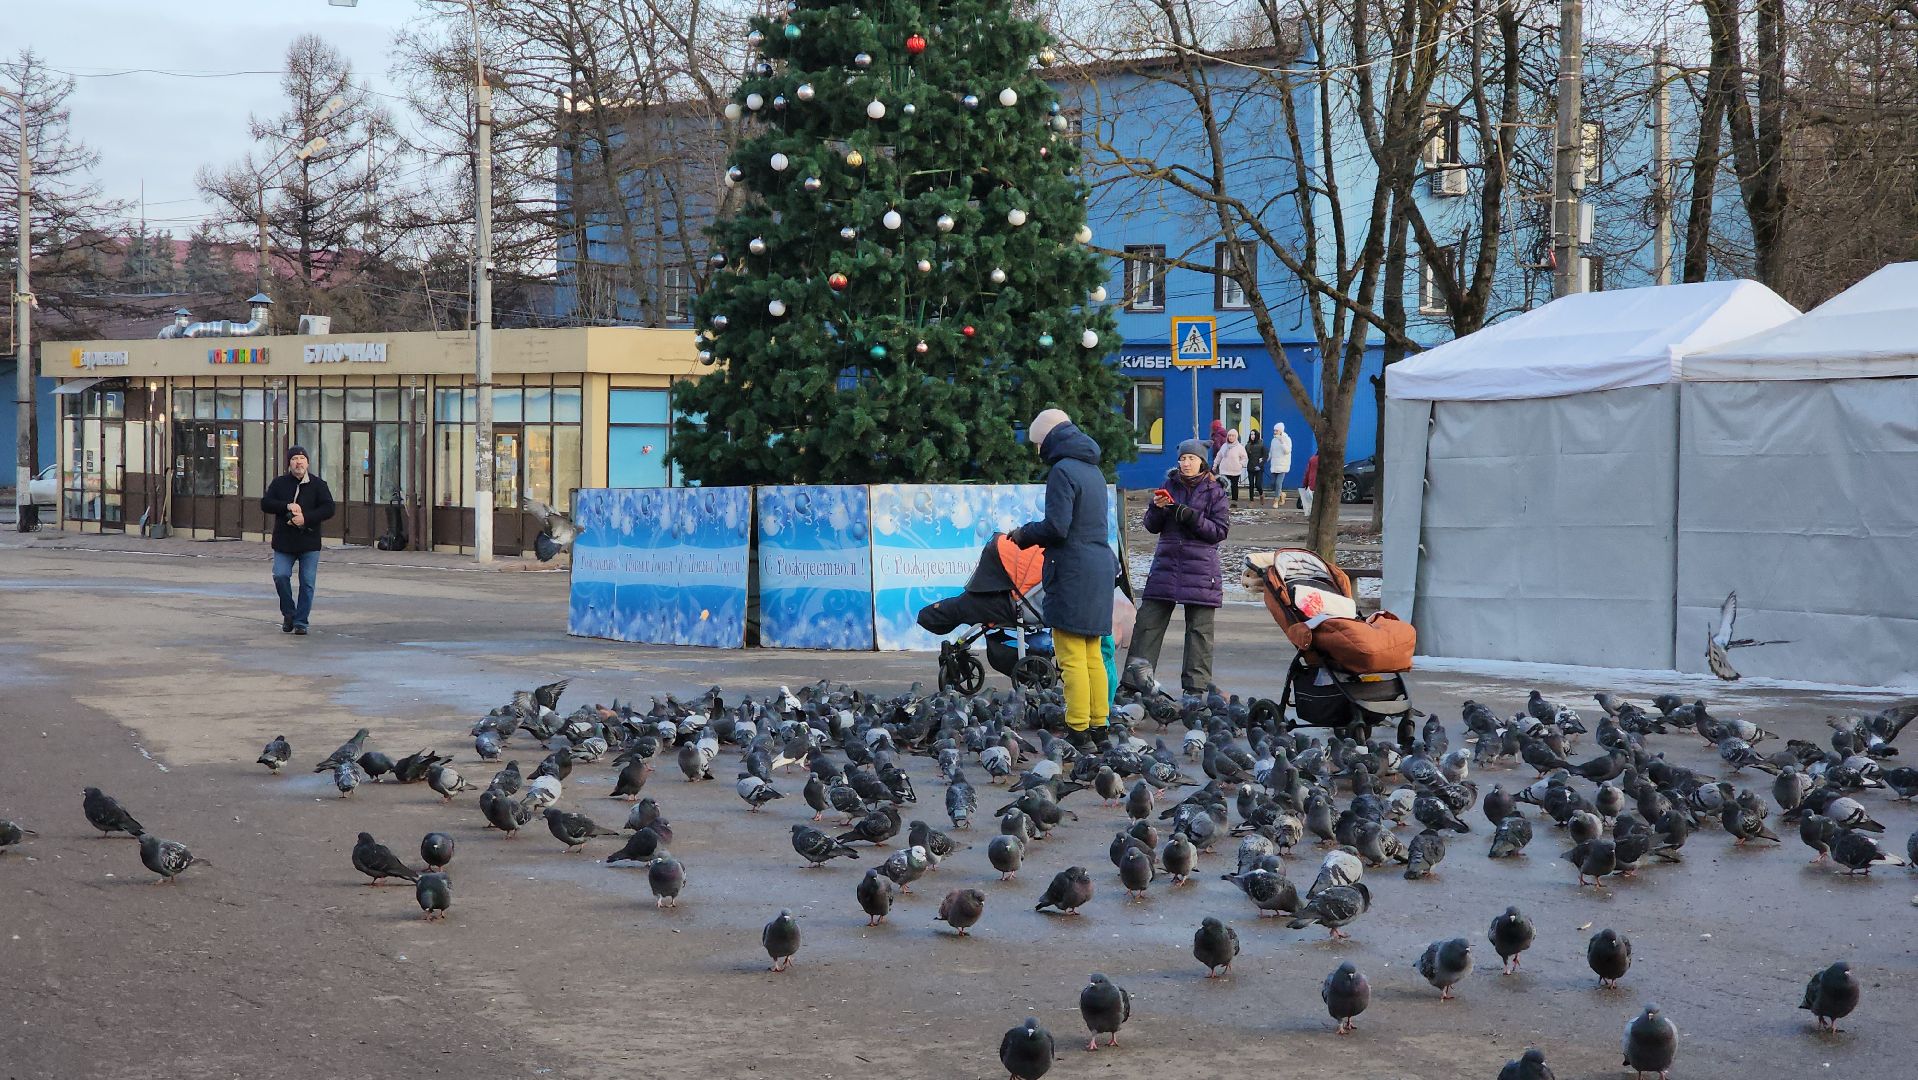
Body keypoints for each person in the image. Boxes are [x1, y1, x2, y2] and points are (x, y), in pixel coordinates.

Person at [1008, 408, 1115, 749]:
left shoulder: (1062, 471)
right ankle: (1100, 726)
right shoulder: (1092, 470)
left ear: (1047, 439)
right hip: (1099, 568)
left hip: (1073, 571)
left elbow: (1057, 527)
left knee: (1071, 658)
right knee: (1092, 654)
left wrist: (1024, 534)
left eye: (1037, 443)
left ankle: (1078, 730)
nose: (1037, 451)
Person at [1127, 439, 1230, 693]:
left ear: (1202, 462)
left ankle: (1195, 689)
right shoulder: (1168, 485)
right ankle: (1133, 684)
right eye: (1183, 459)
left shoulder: (1214, 491)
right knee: (1147, 624)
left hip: (1201, 571)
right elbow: (1151, 525)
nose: (1186, 463)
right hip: (1167, 567)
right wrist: (1158, 508)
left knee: (1199, 633)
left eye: (1191, 459)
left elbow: (1219, 530)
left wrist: (1191, 517)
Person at [260, 445, 335, 635]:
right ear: (289, 464)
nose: (298, 462)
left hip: (309, 542)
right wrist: (286, 506)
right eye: (294, 459)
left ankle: (301, 622)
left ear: (308, 462)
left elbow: (329, 508)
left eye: (302, 458)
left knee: (307, 583)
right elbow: (266, 503)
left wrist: (306, 518)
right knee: (280, 575)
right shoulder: (279, 483)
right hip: (284, 542)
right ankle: (289, 613)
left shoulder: (318, 485)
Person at [1215, 428, 1248, 502]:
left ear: (1236, 437)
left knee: (1234, 486)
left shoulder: (1240, 447)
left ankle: (1234, 501)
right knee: (1223, 486)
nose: (1231, 437)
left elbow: (1244, 458)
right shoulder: (1224, 446)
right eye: (1229, 435)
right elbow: (1219, 455)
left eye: (1233, 436)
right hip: (1224, 470)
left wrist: (1240, 464)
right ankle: (1222, 501)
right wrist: (1215, 464)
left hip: (1235, 471)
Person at [1269, 421, 1293, 508]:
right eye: (1274, 430)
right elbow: (1271, 451)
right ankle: (1282, 494)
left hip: (1283, 465)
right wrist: (1268, 458)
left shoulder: (1287, 439)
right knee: (1273, 484)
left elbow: (1287, 451)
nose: (1275, 432)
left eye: (1276, 430)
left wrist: (1282, 442)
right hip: (1274, 465)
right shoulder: (1273, 440)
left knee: (1279, 483)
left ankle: (1276, 501)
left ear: (1280, 431)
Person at [1245, 429, 1267, 501]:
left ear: (1257, 435)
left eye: (1254, 434)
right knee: (1251, 485)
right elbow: (1245, 456)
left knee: (1258, 484)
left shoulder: (1261, 445)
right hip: (1250, 467)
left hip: (1259, 468)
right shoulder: (1247, 445)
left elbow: (1265, 456)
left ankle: (1261, 494)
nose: (1252, 436)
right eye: (1251, 434)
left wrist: (1260, 464)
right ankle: (1251, 500)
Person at [1301, 450, 1320, 516]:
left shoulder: (1312, 459)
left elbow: (1307, 473)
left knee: (1312, 502)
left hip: (1312, 484)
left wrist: (1305, 484)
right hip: (1322, 486)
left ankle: (1312, 515)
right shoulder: (1328, 461)